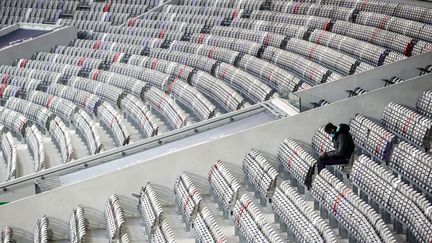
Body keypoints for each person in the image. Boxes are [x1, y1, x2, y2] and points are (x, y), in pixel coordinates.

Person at [305, 122, 355, 188]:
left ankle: (322, 178)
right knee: (321, 159)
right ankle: (319, 177)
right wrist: (327, 154)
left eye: (329, 133)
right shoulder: (337, 134)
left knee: (322, 160)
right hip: (342, 155)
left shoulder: (342, 136)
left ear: (332, 130)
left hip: (345, 157)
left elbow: (340, 152)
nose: (330, 135)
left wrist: (327, 154)